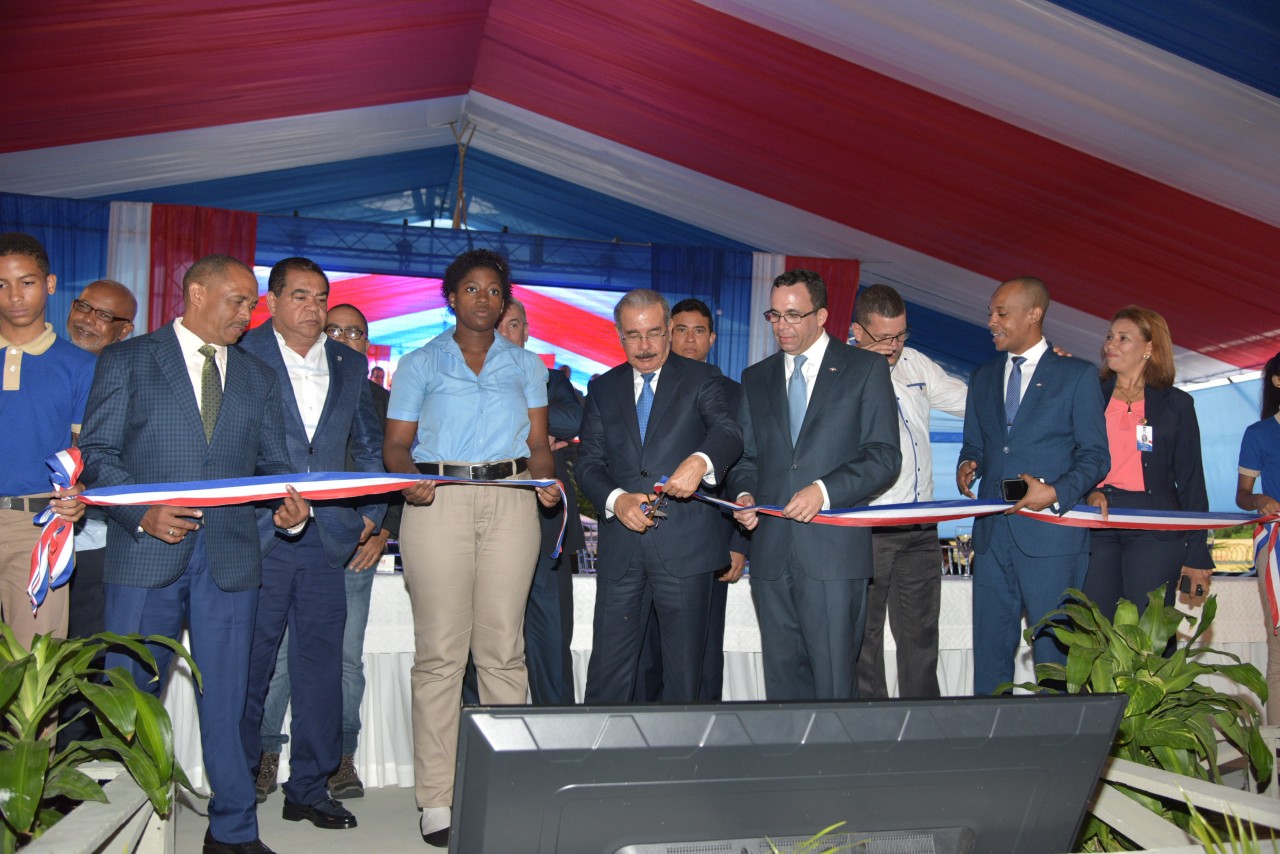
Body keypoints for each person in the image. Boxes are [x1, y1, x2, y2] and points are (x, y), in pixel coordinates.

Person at [79, 254, 309, 854]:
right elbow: (99, 456)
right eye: (238, 301)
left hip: (231, 559)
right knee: (128, 699)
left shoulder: (258, 377)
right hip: (144, 554)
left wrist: (291, 503)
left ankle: (233, 831)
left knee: (230, 699)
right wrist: (141, 512)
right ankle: (120, 826)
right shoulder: (128, 359)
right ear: (197, 293)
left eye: (252, 303)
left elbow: (275, 464)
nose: (248, 313)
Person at [383, 248, 559, 849]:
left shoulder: (527, 364)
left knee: (503, 651)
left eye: (493, 291)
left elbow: (539, 443)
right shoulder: (419, 363)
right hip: (439, 502)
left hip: (513, 500)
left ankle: (505, 785)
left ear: (504, 300)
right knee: (439, 655)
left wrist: (546, 482)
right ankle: (437, 798)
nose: (484, 299)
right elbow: (395, 447)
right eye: (472, 289)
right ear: (451, 297)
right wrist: (409, 478)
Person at [238, 258, 385, 832]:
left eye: (321, 297)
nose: (313, 308)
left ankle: (310, 787)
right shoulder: (242, 353)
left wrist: (371, 514)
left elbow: (368, 447)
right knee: (254, 666)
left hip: (331, 538)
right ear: (271, 301)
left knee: (322, 668)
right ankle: (241, 776)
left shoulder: (350, 362)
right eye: (299, 295)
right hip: (262, 535)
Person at [731, 269, 899, 701]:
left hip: (833, 555)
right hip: (770, 553)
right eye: (774, 315)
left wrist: (823, 490)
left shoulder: (865, 369)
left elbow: (884, 456)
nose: (782, 326)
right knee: (782, 683)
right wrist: (745, 494)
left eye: (793, 315)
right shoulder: (756, 377)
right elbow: (747, 458)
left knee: (833, 685)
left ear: (822, 315)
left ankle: (836, 767)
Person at [256, 303, 402, 803]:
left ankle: (339, 759)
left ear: (367, 341)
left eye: (353, 331)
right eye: (334, 326)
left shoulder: (383, 397)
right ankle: (266, 754)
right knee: (276, 657)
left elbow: (393, 465)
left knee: (343, 659)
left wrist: (379, 527)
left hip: (353, 542)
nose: (340, 335)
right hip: (283, 534)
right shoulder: (278, 373)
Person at [576, 289, 742, 705]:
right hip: (623, 551)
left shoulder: (703, 379)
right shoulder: (602, 388)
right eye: (633, 335)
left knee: (685, 675)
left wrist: (700, 461)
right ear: (618, 335)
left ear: (669, 331)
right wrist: (617, 500)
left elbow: (728, 431)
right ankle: (604, 761)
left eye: (653, 333)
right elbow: (588, 463)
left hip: (686, 551)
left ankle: (683, 764)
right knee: (609, 674)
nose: (645, 346)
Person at [957, 276, 1108, 695]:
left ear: (1033, 314)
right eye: (991, 312)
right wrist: (969, 462)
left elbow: (1096, 455)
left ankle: (1054, 750)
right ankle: (989, 743)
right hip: (991, 535)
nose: (991, 321)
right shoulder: (983, 377)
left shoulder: (1077, 375)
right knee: (990, 651)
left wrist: (1056, 491)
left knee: (1056, 656)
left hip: (1051, 538)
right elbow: (979, 442)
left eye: (1001, 313)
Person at [851, 284, 967, 699]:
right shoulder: (837, 374)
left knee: (921, 635)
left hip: (921, 523)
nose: (893, 346)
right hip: (869, 525)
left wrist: (1034, 382)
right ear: (856, 332)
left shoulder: (917, 364)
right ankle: (871, 729)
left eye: (900, 336)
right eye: (882, 337)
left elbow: (973, 403)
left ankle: (924, 724)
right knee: (864, 640)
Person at [633, 297, 747, 702]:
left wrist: (738, 544)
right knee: (647, 653)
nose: (689, 339)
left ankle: (701, 740)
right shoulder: (639, 387)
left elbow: (745, 470)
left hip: (709, 544)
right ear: (666, 333)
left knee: (702, 654)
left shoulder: (735, 394)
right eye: (680, 329)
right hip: (645, 540)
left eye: (699, 331)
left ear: (712, 339)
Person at [1082, 306, 1212, 620]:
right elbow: (1072, 457)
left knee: (1146, 633)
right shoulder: (1088, 395)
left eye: (1123, 338)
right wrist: (1088, 491)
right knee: (1094, 627)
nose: (1110, 345)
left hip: (1155, 528)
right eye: (1110, 336)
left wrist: (1197, 552)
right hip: (1097, 522)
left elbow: (1191, 480)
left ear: (1149, 348)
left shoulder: (1177, 404)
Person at [0, 232, 91, 650]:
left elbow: (86, 453)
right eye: (1, 284)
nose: (14, 295)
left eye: (27, 282)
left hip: (35, 527)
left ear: (50, 284)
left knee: (33, 676)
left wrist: (80, 493)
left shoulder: (79, 366)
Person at [58, 278, 137, 748]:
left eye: (104, 316)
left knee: (86, 659)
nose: (89, 320)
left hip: (97, 544)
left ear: (125, 330)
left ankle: (75, 768)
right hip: (30, 537)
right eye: (85, 307)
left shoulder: (127, 377)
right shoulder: (38, 366)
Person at [496, 298, 584, 705]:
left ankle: (559, 745)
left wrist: (515, 421)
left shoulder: (550, 379)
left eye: (512, 325)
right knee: (489, 645)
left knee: (550, 645)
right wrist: (537, 433)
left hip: (548, 526)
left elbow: (576, 420)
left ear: (526, 331)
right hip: (488, 524)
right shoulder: (462, 382)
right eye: (496, 324)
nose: (503, 333)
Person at [1236, 350, 1280, 725]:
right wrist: (1259, 500)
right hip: (1277, 548)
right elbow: (1242, 495)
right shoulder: (1260, 434)